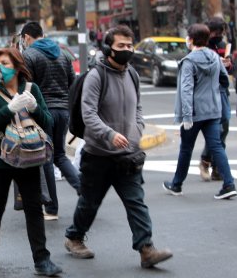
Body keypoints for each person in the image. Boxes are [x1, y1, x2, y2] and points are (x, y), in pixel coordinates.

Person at [64, 25, 172, 269]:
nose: (126, 50)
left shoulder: (132, 74)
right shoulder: (96, 76)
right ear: (108, 48)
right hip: (98, 155)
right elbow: (88, 113)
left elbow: (138, 106)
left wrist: (138, 128)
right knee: (90, 202)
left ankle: (146, 249)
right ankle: (74, 237)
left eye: (129, 45)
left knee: (136, 202)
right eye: (120, 46)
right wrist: (109, 134)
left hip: (128, 155)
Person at [0, 47, 62, 277]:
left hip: (29, 158)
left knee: (34, 208)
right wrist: (8, 109)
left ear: (16, 66)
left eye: (4, 63)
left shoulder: (31, 90)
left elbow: (48, 122)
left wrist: (34, 108)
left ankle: (42, 260)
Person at [164, 23, 237, 200]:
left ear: (190, 39)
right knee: (217, 146)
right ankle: (229, 184)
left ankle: (177, 184)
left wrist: (187, 116)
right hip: (213, 110)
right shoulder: (214, 56)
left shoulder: (189, 61)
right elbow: (224, 81)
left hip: (195, 114)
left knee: (186, 149)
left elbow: (186, 90)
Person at [20, 22, 79, 221]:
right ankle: (85, 191)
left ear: (27, 37)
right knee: (60, 155)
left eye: (23, 39)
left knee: (46, 158)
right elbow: (73, 82)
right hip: (63, 111)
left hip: (44, 112)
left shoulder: (29, 55)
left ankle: (52, 207)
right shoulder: (63, 53)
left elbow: (27, 88)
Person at [199, 17, 232, 181]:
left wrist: (227, 63)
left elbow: (230, 67)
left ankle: (215, 165)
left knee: (224, 127)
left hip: (222, 90)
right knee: (216, 130)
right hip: (208, 91)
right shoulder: (202, 47)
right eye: (216, 32)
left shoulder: (223, 46)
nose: (219, 35)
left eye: (221, 32)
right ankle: (208, 161)